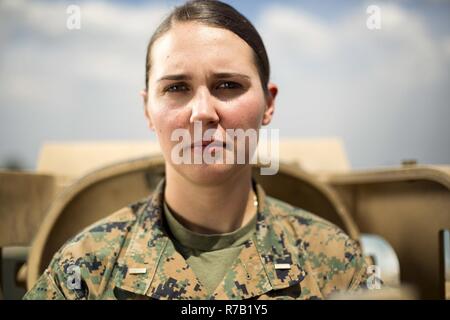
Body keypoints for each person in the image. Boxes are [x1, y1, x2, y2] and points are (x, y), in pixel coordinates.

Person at [24, 0, 370, 300]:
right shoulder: (83, 270)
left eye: (228, 85)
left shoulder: (335, 263)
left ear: (268, 102)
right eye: (176, 87)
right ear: (148, 109)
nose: (203, 111)